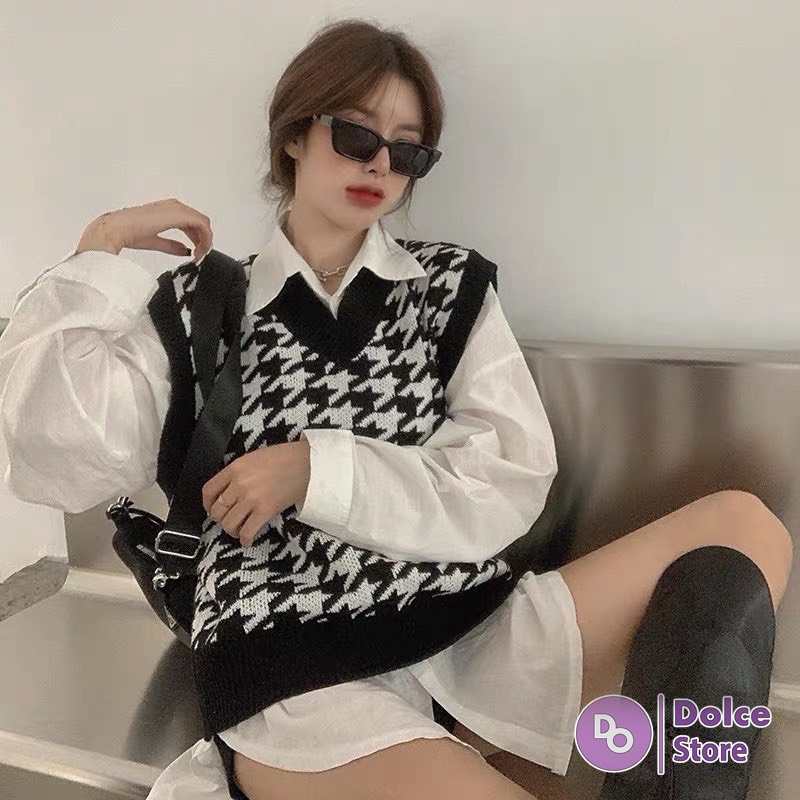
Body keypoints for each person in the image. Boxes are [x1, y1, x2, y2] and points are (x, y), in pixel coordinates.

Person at [0, 17, 793, 800]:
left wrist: (317, 470)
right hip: (297, 673)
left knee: (743, 528)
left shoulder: (448, 289)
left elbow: (510, 479)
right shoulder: (202, 307)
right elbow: (54, 455)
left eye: (407, 150)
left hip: (467, 640)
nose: (380, 163)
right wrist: (98, 250)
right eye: (356, 135)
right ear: (294, 135)